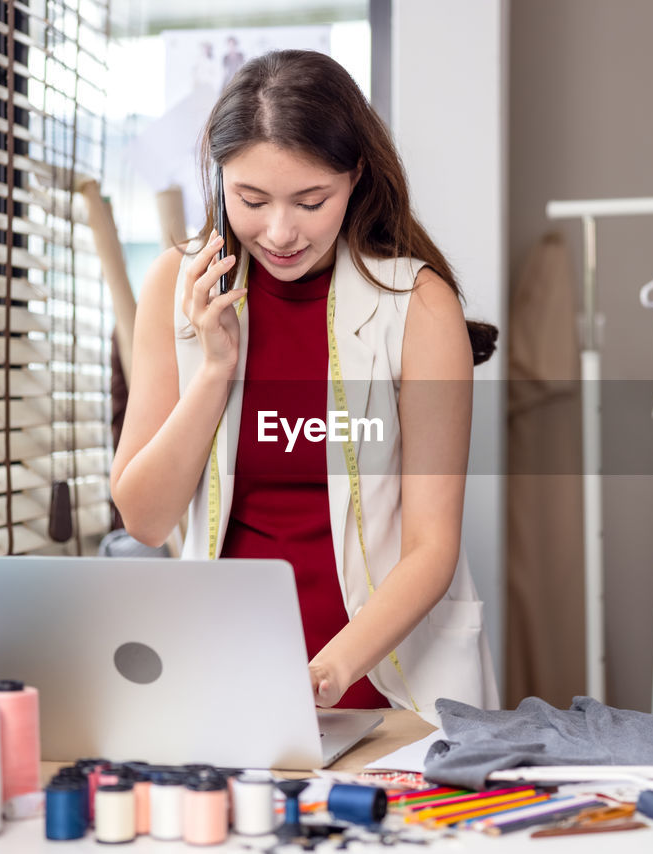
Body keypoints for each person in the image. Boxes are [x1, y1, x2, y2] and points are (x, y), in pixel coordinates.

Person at [111, 50, 499, 714]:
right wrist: (213, 371)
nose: (281, 232)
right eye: (251, 200)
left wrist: (328, 672)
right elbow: (145, 520)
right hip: (226, 676)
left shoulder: (420, 306)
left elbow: (433, 547)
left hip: (381, 688)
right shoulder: (174, 290)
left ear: (355, 177)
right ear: (219, 177)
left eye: (311, 201)